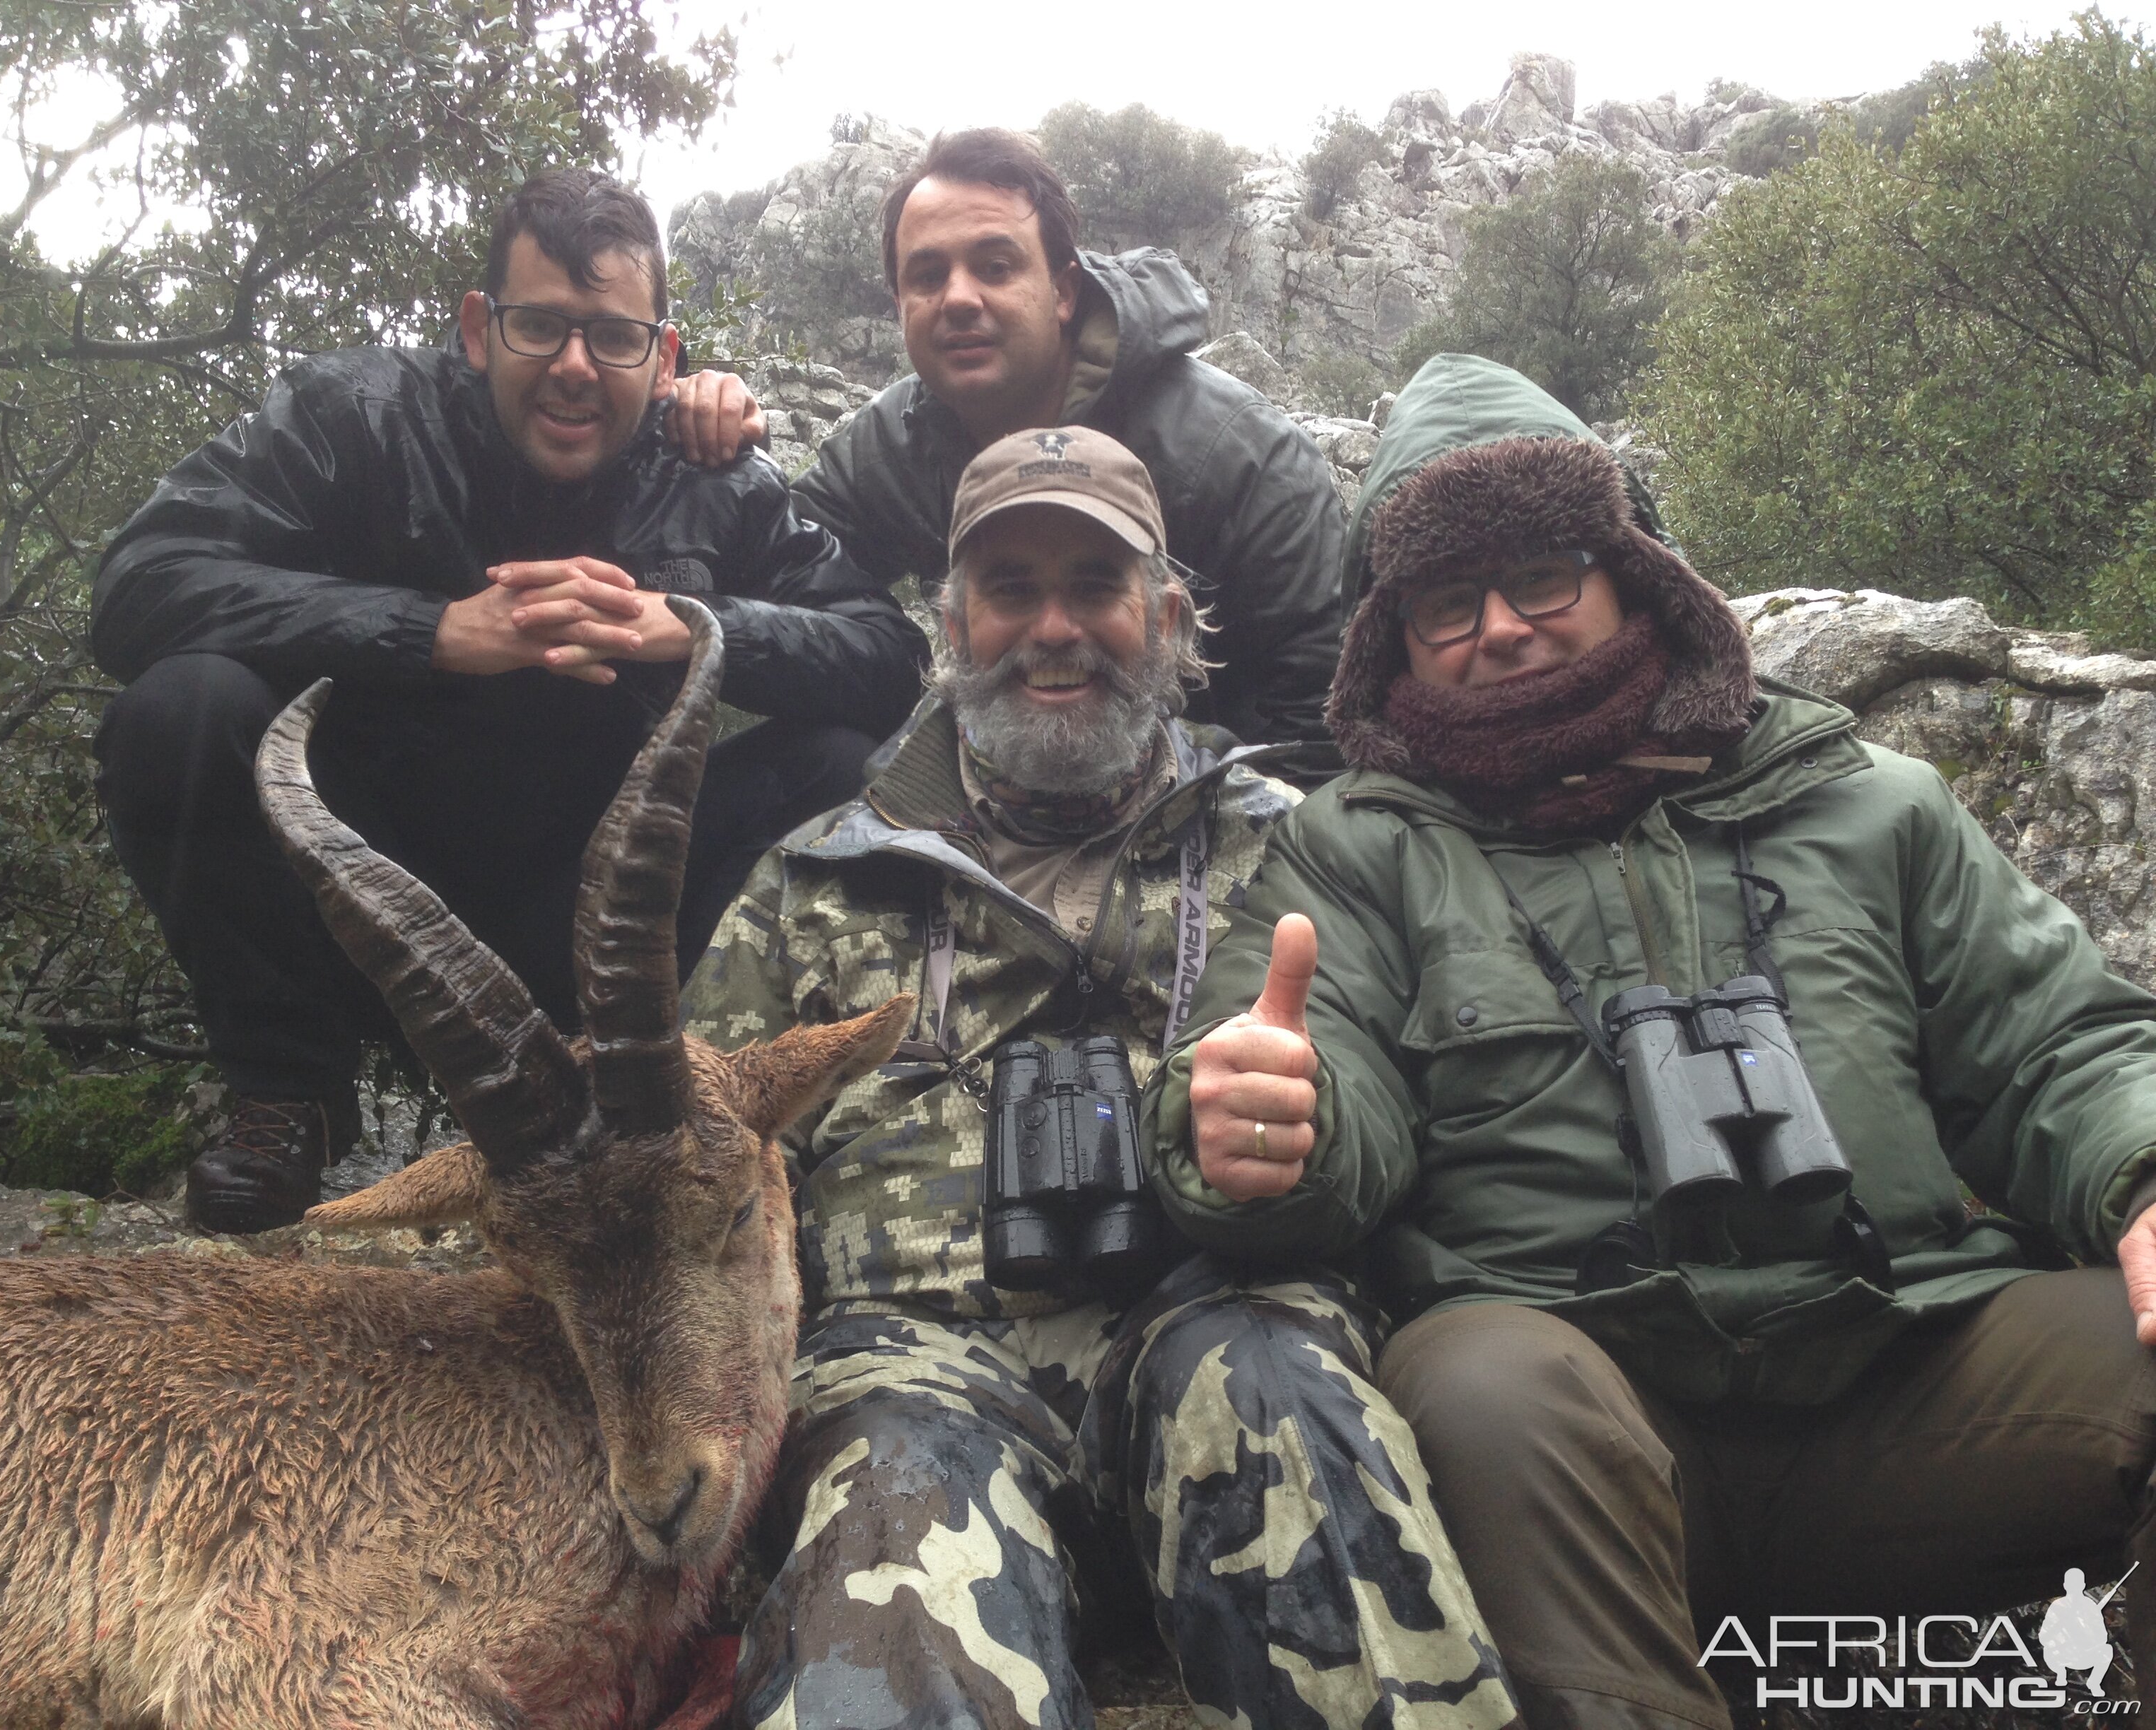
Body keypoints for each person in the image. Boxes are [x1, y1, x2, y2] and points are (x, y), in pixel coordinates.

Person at [1145, 351, 2156, 1727]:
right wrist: (1269, 1135)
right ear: (1394, 636)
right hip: (1578, 1435)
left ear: (1637, 571)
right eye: (1449, 600)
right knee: (1485, 1382)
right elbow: (1332, 1098)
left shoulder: (1873, 803)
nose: (1500, 627)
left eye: (1542, 577)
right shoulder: (1355, 853)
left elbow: (2059, 1050)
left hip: (1917, 1378)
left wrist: (2144, 1175)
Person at [682, 426, 1515, 1730]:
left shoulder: (1300, 849)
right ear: (950, 622)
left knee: (1275, 1388)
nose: (1054, 626)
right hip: (912, 1366)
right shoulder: (806, 883)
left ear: (1168, 615)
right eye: (1010, 588)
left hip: (1216, 1316)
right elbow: (697, 1172)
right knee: (888, 1514)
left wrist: (1315, 1122)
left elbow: (1412, 1124)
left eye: (1096, 585)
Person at [91, 169, 926, 1233]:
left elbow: (886, 652)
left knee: (841, 757)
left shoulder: (709, 473)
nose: (576, 368)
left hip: (586, 925)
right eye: (542, 328)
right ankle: (283, 1097)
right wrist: (433, 632)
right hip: (357, 894)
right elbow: (139, 583)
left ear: (662, 356)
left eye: (613, 337)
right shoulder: (357, 414)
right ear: (480, 329)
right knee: (182, 707)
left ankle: (703, 1106)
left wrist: (693, 629)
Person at [666, 128, 1346, 782]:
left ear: (1064, 291)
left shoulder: (1241, 459)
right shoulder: (893, 446)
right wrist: (696, 432)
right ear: (900, 304)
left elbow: (1314, 729)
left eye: (995, 266)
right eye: (927, 276)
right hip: (996, 798)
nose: (959, 298)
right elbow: (772, 576)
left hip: (1203, 823)